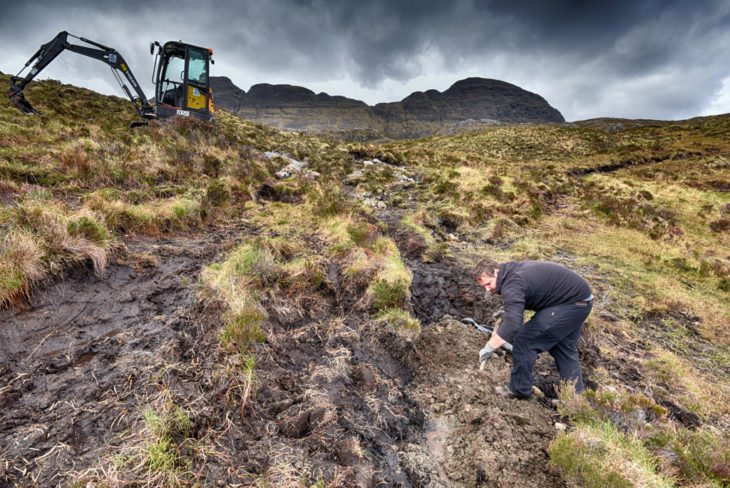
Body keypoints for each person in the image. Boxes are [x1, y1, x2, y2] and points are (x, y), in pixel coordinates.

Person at [475, 259, 593, 399]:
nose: (488, 289)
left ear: (496, 271)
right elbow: (516, 308)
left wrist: (489, 347)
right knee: (563, 349)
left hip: (570, 304)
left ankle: (519, 390)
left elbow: (513, 324)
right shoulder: (510, 271)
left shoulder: (512, 284)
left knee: (525, 341)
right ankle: (576, 401)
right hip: (580, 301)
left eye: (488, 284)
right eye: (484, 286)